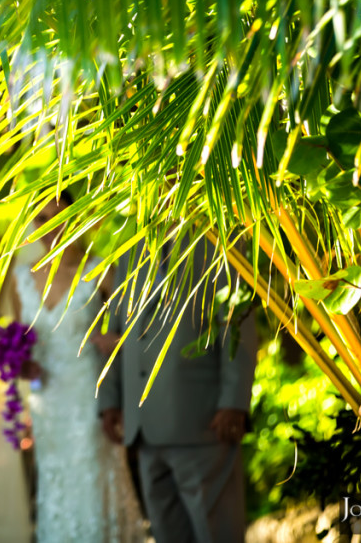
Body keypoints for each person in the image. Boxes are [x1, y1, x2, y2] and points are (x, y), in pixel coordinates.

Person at [98, 237, 257, 543]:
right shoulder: (129, 248)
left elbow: (237, 323)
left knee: (217, 533)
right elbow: (118, 333)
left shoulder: (219, 240)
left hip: (202, 421)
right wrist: (111, 401)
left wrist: (234, 401)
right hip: (144, 428)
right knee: (166, 533)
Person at [14, 193, 146, 543]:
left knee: (93, 471)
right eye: (41, 219)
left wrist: (114, 340)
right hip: (47, 400)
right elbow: (19, 336)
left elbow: (140, 331)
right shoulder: (22, 277)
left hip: (91, 391)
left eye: (59, 218)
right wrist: (20, 363)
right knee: (55, 478)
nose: (50, 228)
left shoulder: (99, 270)